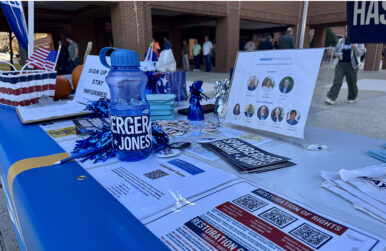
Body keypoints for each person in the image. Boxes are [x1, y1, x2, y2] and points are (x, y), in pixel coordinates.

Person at [325, 27, 365, 105]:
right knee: (337, 81)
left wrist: (355, 47)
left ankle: (351, 97)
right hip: (340, 64)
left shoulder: (359, 41)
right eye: (346, 31)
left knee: (352, 82)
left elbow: (360, 53)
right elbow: (335, 52)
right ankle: (331, 97)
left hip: (352, 65)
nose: (347, 32)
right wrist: (337, 54)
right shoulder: (341, 41)